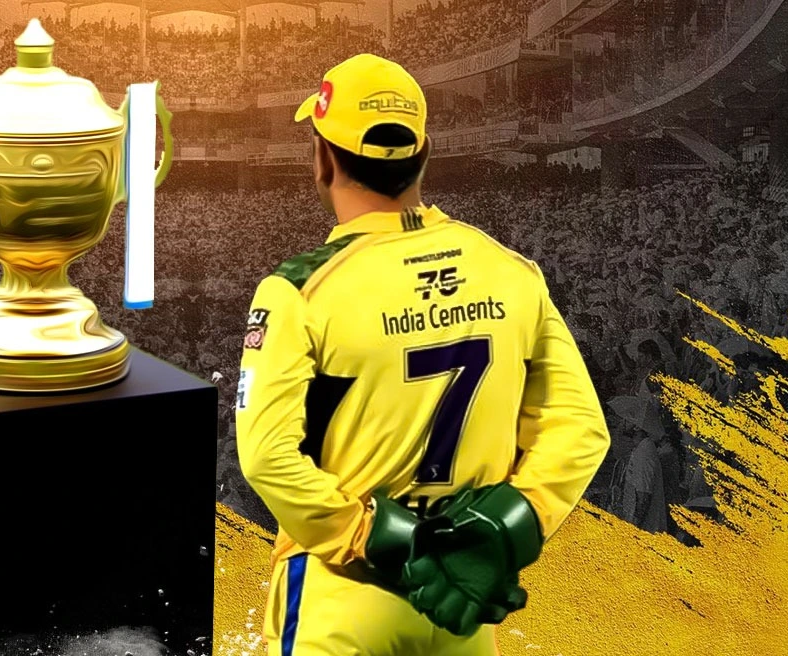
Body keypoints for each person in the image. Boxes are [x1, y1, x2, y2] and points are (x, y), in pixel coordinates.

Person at [234, 53, 611, 656]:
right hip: (459, 607)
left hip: (344, 595)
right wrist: (504, 530)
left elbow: (267, 459)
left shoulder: (298, 291)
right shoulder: (511, 271)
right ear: (424, 152)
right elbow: (582, 429)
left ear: (323, 160)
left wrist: (375, 537)